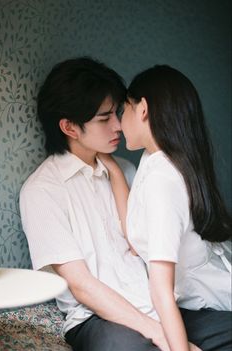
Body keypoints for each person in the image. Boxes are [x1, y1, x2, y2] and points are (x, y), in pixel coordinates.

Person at [19, 57, 176, 351]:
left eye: (117, 112)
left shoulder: (126, 170)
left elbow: (146, 246)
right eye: (104, 119)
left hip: (153, 301)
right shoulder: (42, 191)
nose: (118, 125)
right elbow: (81, 286)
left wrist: (116, 173)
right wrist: (157, 331)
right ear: (69, 127)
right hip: (95, 319)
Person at [100, 64, 232, 351]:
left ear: (142, 109)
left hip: (210, 304)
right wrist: (113, 169)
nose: (120, 124)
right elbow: (136, 237)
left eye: (123, 110)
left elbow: (161, 292)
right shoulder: (152, 158)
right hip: (192, 301)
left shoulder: (163, 177)